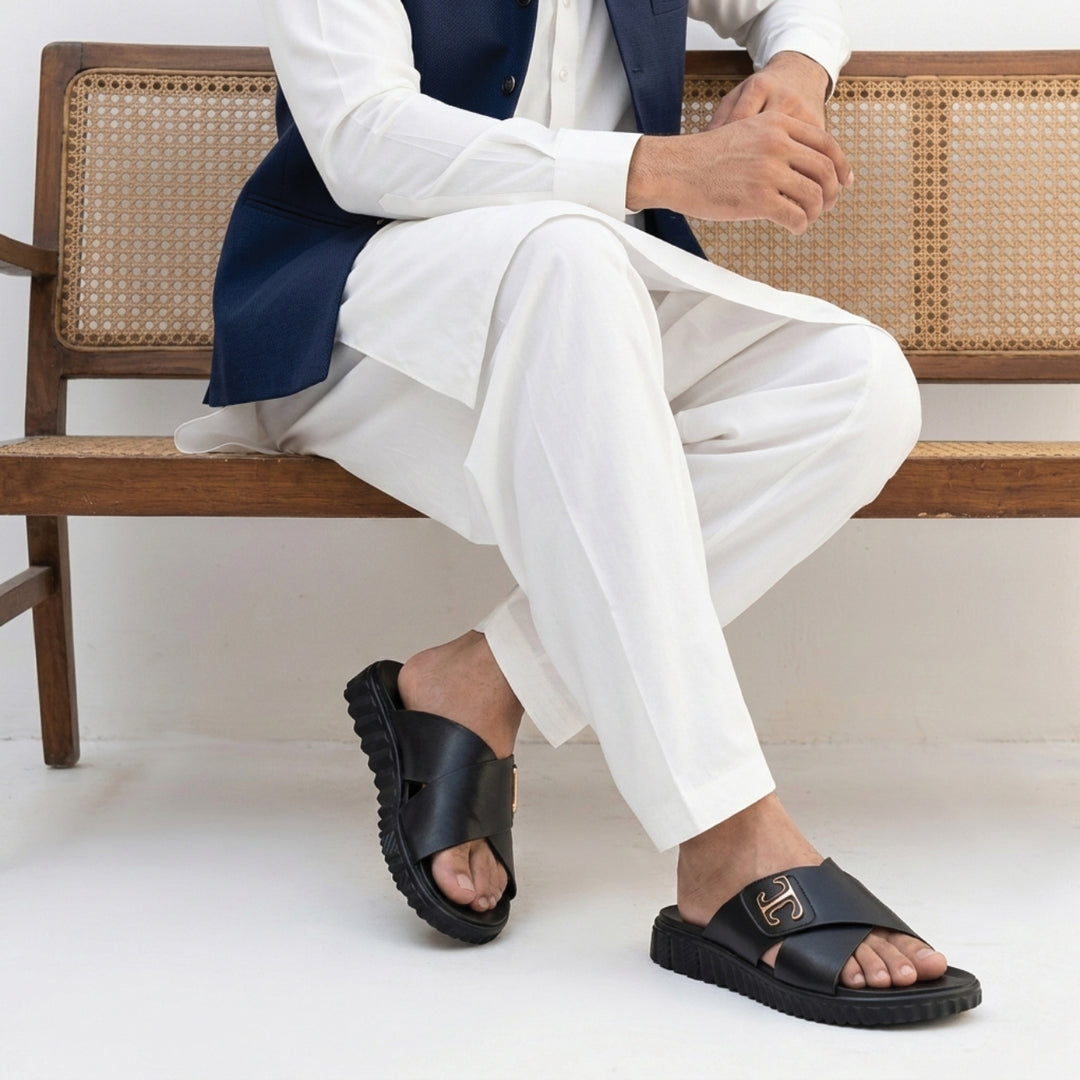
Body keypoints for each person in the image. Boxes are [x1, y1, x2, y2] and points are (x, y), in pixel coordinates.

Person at [177, 0, 981, 1025]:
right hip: (360, 324)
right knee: (568, 251)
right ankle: (728, 836)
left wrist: (798, 69)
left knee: (857, 383)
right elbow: (361, 138)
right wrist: (660, 169)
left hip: (597, 312)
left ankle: (478, 682)